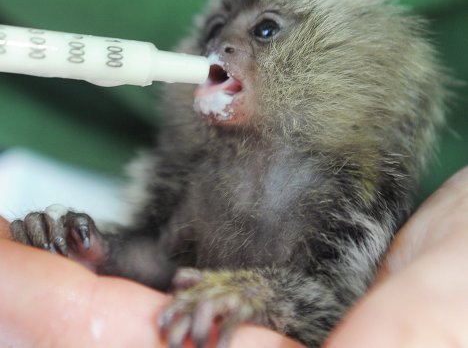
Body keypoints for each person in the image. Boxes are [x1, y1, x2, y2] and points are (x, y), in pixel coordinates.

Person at [0, 166, 467, 348]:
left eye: (265, 31)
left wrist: (254, 295)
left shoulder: (357, 191)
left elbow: (328, 307)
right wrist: (85, 247)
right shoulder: (196, 172)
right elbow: (159, 255)